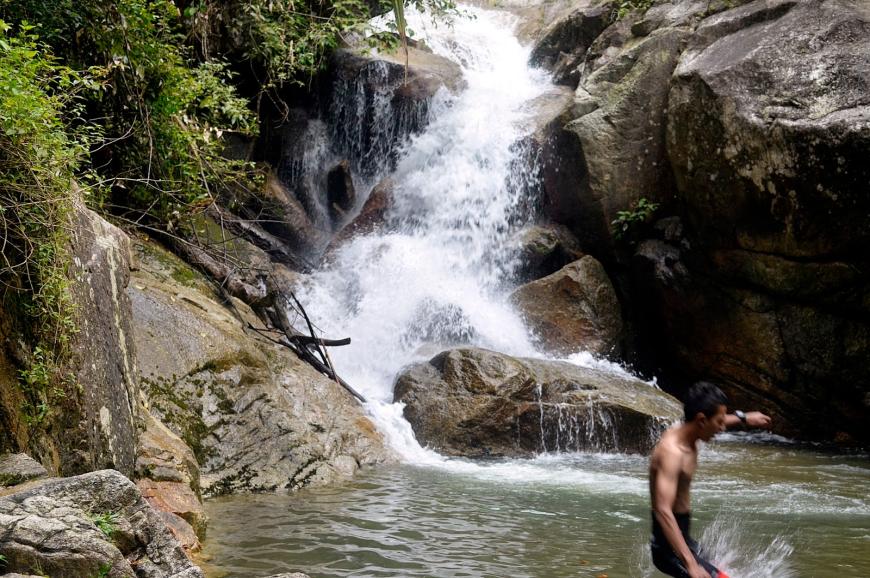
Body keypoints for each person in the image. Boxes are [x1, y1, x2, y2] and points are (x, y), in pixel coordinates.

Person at [649, 381, 772, 578]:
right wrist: (690, 564)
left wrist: (744, 418)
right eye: (720, 422)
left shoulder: (690, 431)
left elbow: (712, 419)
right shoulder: (672, 453)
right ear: (701, 421)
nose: (722, 428)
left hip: (683, 539)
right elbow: (663, 511)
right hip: (668, 550)